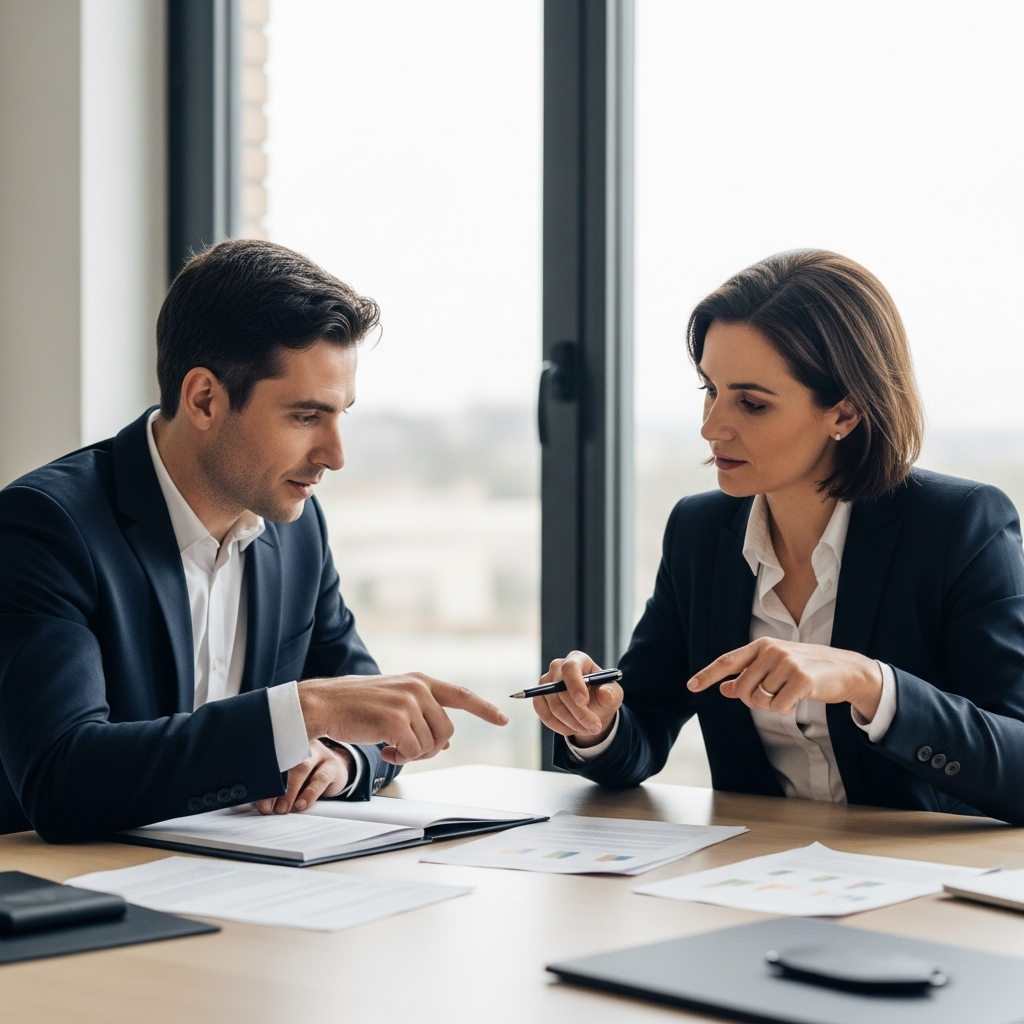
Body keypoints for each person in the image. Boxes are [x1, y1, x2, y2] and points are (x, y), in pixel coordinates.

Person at [0, 239, 508, 842]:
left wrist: (339, 761)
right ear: (205, 399)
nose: (334, 456)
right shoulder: (46, 526)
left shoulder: (297, 527)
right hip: (72, 901)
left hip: (245, 888)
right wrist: (303, 714)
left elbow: (365, 712)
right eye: (304, 417)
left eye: (341, 414)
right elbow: (62, 780)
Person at [533, 249, 1024, 824]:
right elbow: (641, 725)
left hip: (922, 885)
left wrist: (870, 684)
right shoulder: (700, 532)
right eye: (709, 390)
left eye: (752, 403)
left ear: (843, 413)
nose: (711, 426)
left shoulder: (960, 526)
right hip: (760, 873)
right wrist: (596, 724)